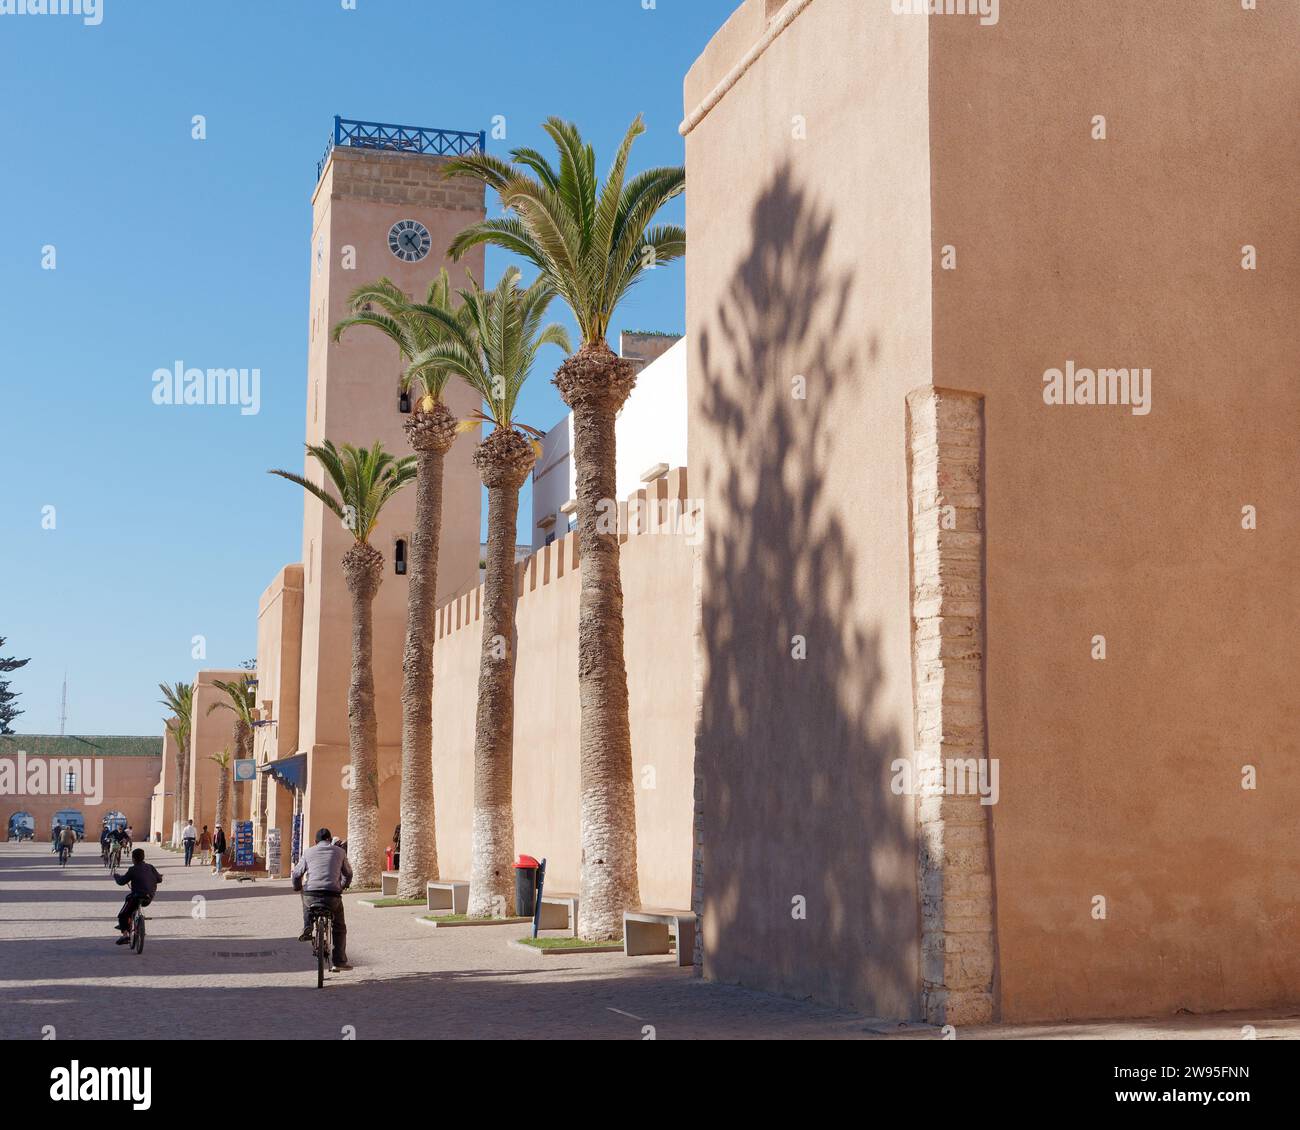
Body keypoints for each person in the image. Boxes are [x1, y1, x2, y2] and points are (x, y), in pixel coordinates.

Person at [291, 828, 352, 969]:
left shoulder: (308, 852)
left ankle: (307, 926)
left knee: (304, 895)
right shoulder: (340, 852)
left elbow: (296, 874)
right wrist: (343, 886)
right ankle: (340, 961)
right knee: (339, 927)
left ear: (315, 842)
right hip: (332, 896)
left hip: (311, 895)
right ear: (330, 840)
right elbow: (348, 874)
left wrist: (297, 887)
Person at [112, 847, 162, 943]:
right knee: (130, 902)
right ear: (143, 857)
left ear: (133, 858)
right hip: (149, 897)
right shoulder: (150, 867)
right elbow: (159, 879)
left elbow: (122, 882)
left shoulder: (133, 869)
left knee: (122, 915)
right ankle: (132, 923)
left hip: (136, 897)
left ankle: (125, 935)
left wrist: (116, 876)